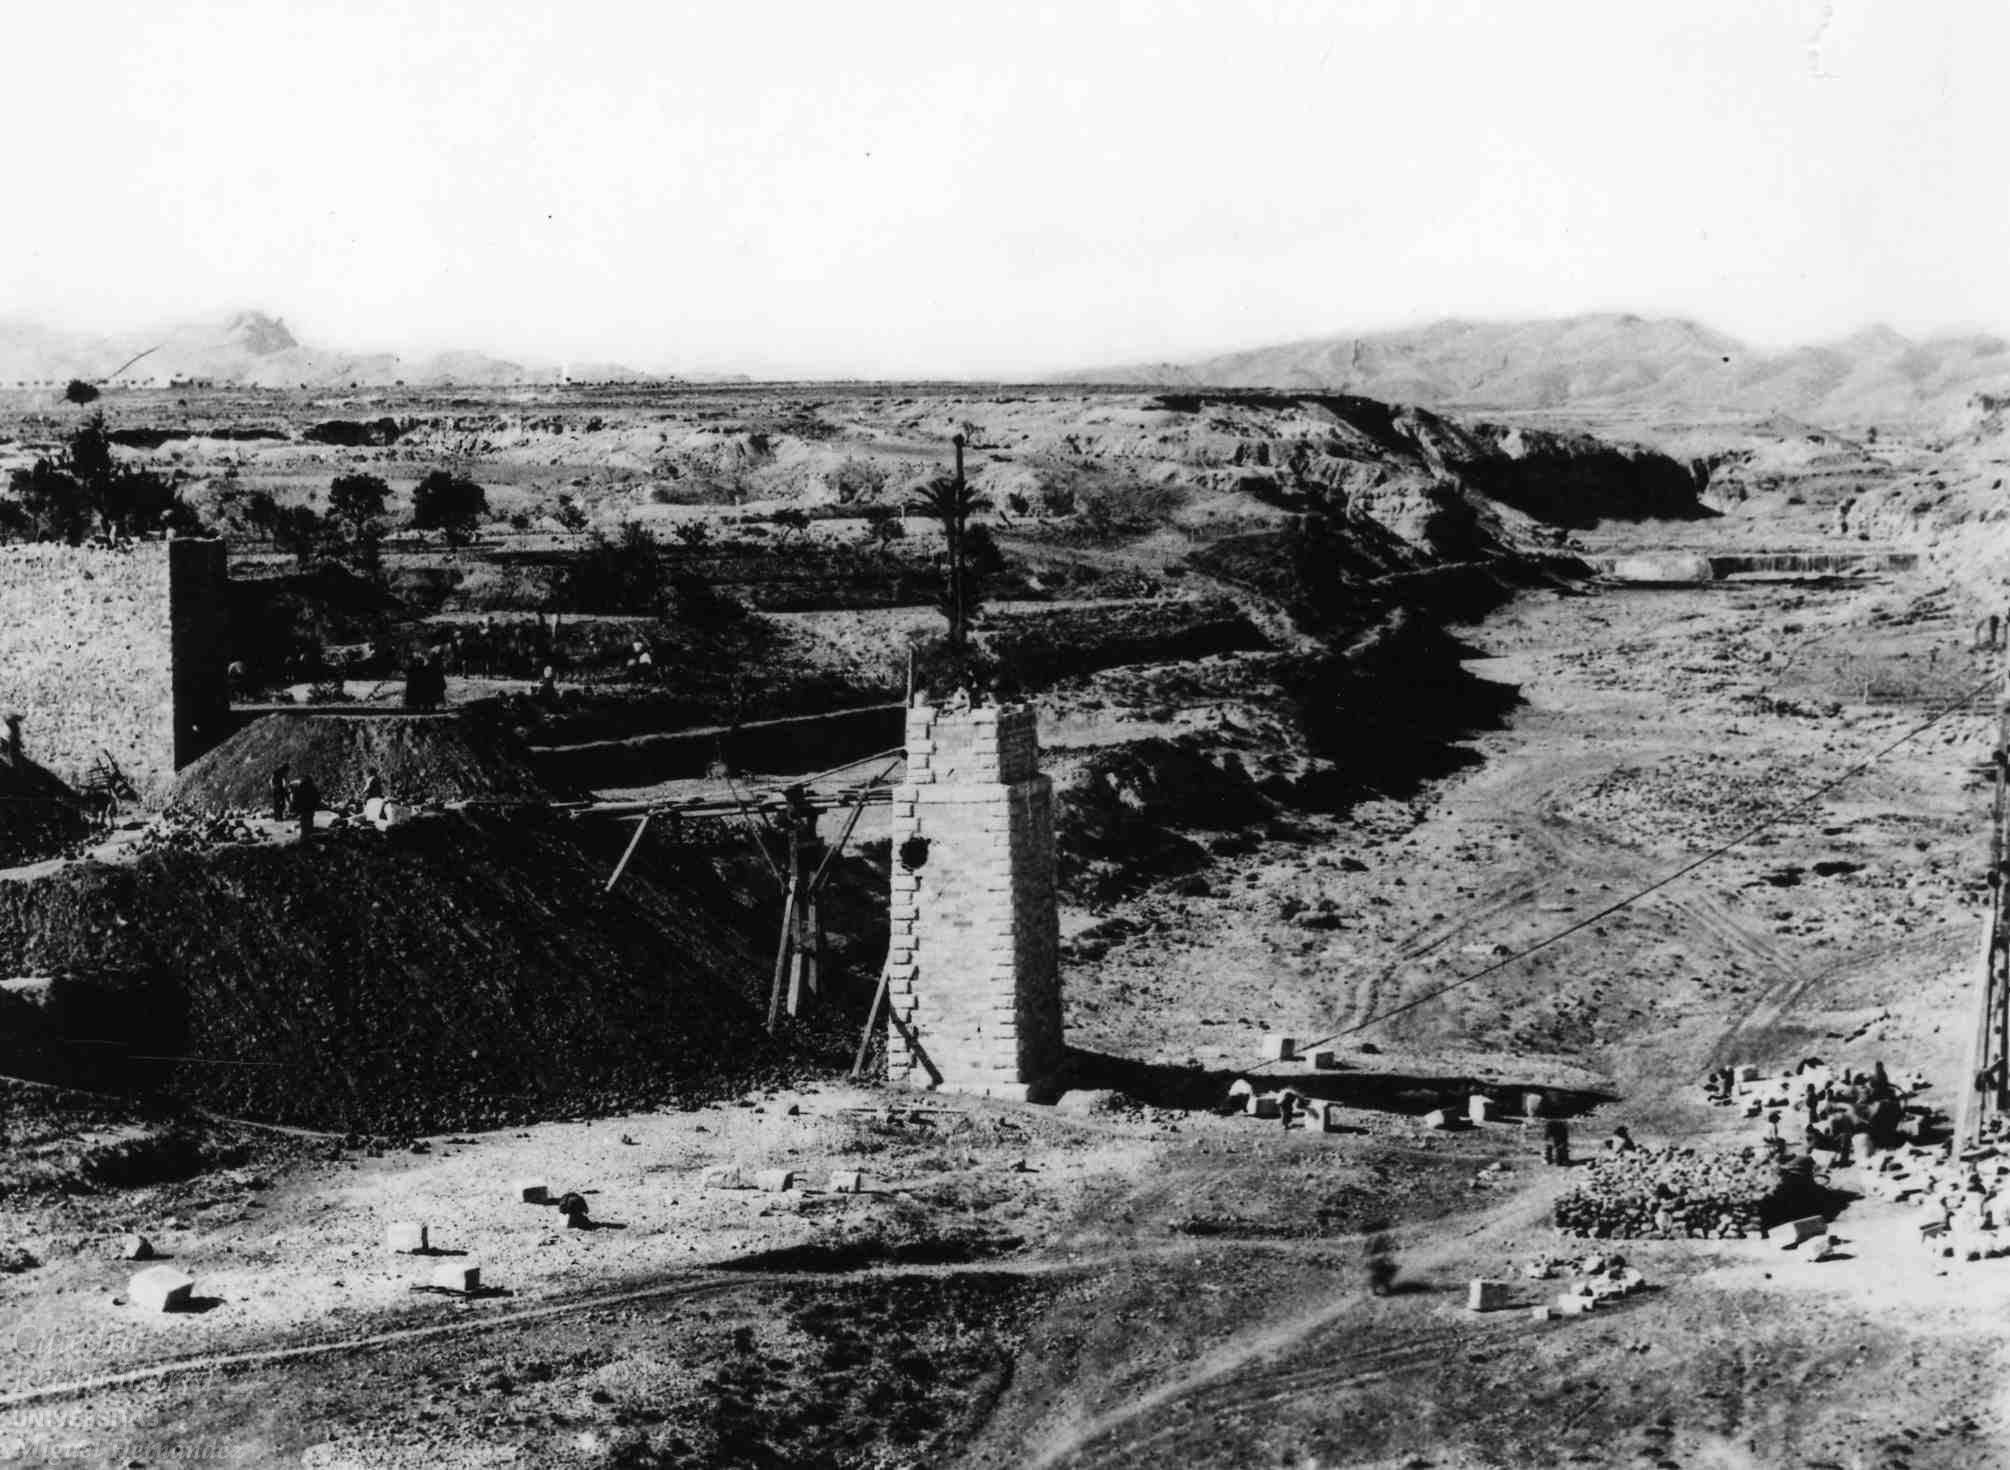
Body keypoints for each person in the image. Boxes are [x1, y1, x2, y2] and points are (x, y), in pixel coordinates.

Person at [292, 773, 320, 843]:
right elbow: (317, 798)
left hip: (303, 809)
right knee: (309, 821)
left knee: (304, 822)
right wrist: (315, 806)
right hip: (310, 808)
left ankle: (304, 837)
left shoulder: (299, 787)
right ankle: (308, 836)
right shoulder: (313, 787)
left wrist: (295, 808)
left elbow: (295, 799)